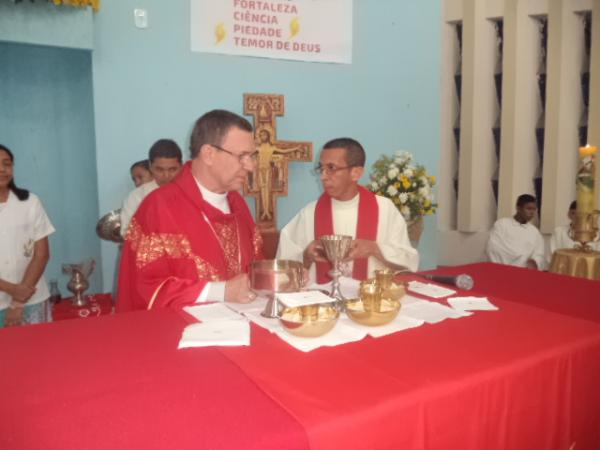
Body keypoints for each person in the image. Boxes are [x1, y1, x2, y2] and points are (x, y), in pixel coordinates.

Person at [117, 110, 263, 312]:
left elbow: (254, 267)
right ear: (209, 154)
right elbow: (145, 288)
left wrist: (283, 277)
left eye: (252, 156)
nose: (251, 166)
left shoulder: (238, 204)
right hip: (179, 336)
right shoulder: (158, 207)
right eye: (242, 156)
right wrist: (222, 291)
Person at [276, 138, 419, 283]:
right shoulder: (309, 213)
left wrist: (375, 249)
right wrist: (306, 257)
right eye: (321, 168)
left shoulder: (385, 209)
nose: (323, 177)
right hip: (322, 302)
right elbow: (282, 270)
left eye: (331, 168)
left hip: (372, 301)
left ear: (356, 173)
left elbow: (409, 261)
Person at [0, 144, 55, 327]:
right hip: (14, 295)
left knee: (39, 353)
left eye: (6, 164)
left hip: (32, 299)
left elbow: (42, 254)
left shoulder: (29, 202)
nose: (2, 169)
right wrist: (13, 290)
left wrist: (18, 302)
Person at [120, 139, 183, 238]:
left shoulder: (190, 193)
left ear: (181, 166)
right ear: (150, 166)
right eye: (159, 169)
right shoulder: (137, 196)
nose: (166, 176)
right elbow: (127, 233)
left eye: (172, 169)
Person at [486, 194, 546, 270]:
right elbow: (493, 248)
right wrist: (519, 256)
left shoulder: (535, 232)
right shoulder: (502, 224)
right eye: (528, 208)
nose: (532, 212)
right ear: (518, 208)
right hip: (500, 270)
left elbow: (539, 254)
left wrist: (535, 262)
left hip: (523, 274)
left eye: (534, 209)